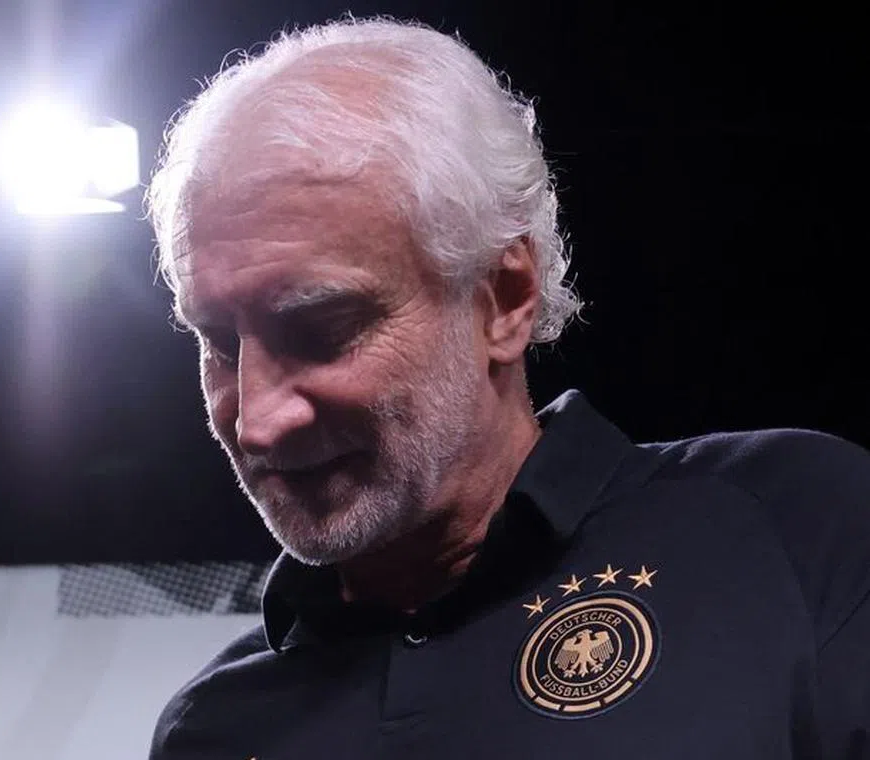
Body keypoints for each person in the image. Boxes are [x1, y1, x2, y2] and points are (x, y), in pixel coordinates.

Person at [143, 16, 870, 760]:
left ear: (505, 297)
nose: (258, 420)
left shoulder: (797, 528)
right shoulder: (211, 731)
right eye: (220, 343)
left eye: (322, 330)